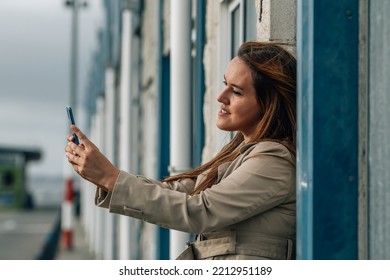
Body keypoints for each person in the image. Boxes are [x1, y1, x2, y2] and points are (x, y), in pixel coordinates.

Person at [65, 41, 297, 260]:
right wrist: (104, 177)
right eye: (225, 84)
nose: (220, 97)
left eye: (235, 92)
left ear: (268, 104)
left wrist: (110, 177)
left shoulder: (273, 161)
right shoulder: (242, 154)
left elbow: (200, 211)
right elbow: (180, 192)